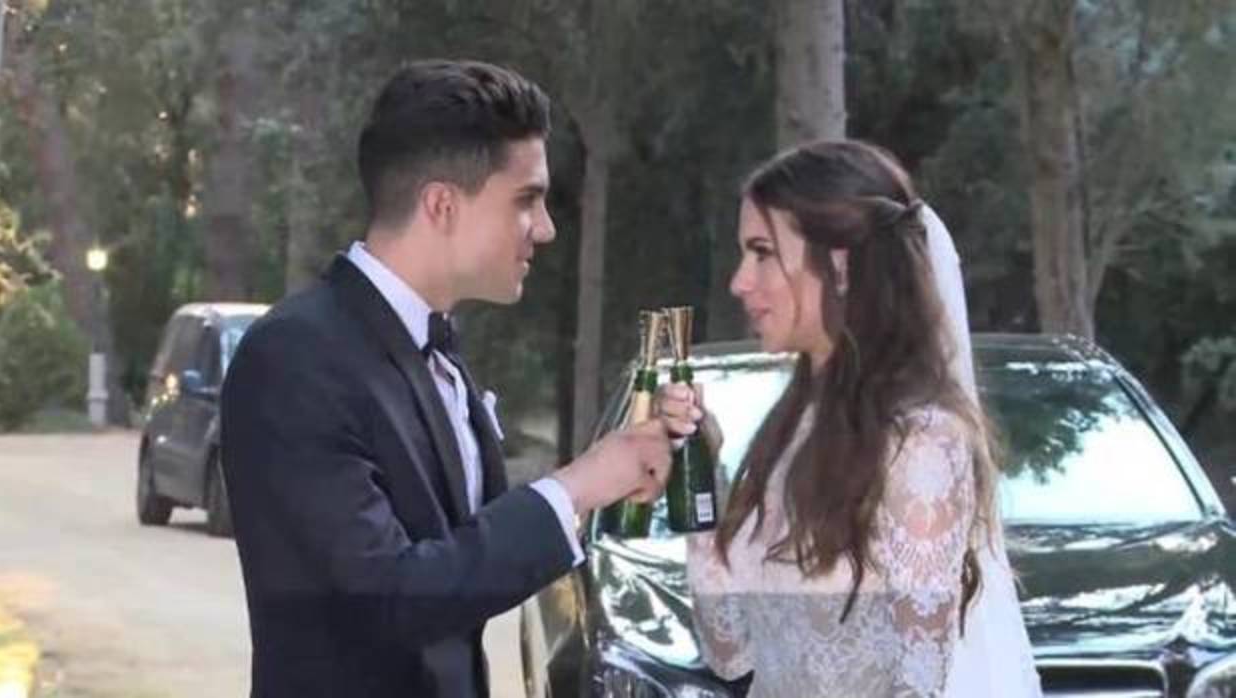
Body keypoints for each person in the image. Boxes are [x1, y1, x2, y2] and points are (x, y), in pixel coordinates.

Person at [220, 60, 673, 698]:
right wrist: (574, 486)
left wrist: (620, 479)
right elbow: (386, 599)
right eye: (527, 199)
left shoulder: (434, 348)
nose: (545, 228)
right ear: (441, 205)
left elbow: (466, 561)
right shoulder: (294, 357)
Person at [657, 140, 1042, 696]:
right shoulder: (791, 431)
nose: (740, 281)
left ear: (839, 266)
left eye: (762, 252)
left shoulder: (921, 442)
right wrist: (699, 465)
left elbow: (919, 683)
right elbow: (730, 651)